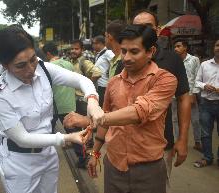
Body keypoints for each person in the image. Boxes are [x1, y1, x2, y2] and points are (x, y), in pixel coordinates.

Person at [0, 26, 103, 193]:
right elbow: (22, 138)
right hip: (20, 163)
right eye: (20, 65)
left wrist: (92, 101)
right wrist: (67, 137)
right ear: (5, 65)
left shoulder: (43, 68)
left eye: (33, 59)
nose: (30, 69)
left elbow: (81, 81)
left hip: (48, 155)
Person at [64, 24, 177, 193]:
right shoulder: (114, 82)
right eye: (124, 51)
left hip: (148, 169)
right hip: (114, 166)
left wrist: (90, 120)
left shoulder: (165, 80)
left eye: (134, 51)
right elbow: (107, 119)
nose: (126, 58)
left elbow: (139, 112)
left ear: (150, 52)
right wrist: (95, 154)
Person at [132, 10, 191, 192]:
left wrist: (182, 139)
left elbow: (183, 99)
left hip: (161, 143)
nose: (142, 31)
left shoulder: (172, 59)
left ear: (157, 30)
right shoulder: (125, 60)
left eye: (148, 27)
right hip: (130, 142)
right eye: (137, 27)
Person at [70, 39, 102, 168]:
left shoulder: (84, 61)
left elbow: (97, 72)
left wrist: (88, 84)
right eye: (72, 49)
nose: (73, 51)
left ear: (81, 50)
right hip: (76, 99)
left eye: (76, 49)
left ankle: (88, 157)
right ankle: (85, 155)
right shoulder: (72, 62)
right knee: (81, 128)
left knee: (87, 128)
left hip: (83, 99)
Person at [193, 39, 219, 168]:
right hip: (206, 104)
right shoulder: (205, 65)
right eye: (217, 45)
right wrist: (204, 85)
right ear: (214, 47)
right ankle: (207, 157)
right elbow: (197, 81)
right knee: (206, 132)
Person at [174, 39, 201, 151]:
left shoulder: (194, 60)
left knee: (195, 119)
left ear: (185, 47)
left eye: (178, 46)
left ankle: (197, 141)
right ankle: (177, 141)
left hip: (190, 94)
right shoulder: (174, 60)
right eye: (175, 46)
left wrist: (194, 93)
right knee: (175, 119)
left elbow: (197, 77)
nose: (176, 48)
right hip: (175, 95)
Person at [42, 41, 76, 129]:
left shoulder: (47, 67)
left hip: (57, 109)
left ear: (48, 53)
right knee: (76, 135)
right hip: (72, 106)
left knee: (63, 139)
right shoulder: (69, 64)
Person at [92, 35, 115, 106]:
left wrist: (110, 73)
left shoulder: (108, 53)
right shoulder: (99, 54)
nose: (93, 45)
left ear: (100, 44)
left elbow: (115, 62)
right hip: (99, 85)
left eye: (94, 43)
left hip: (104, 85)